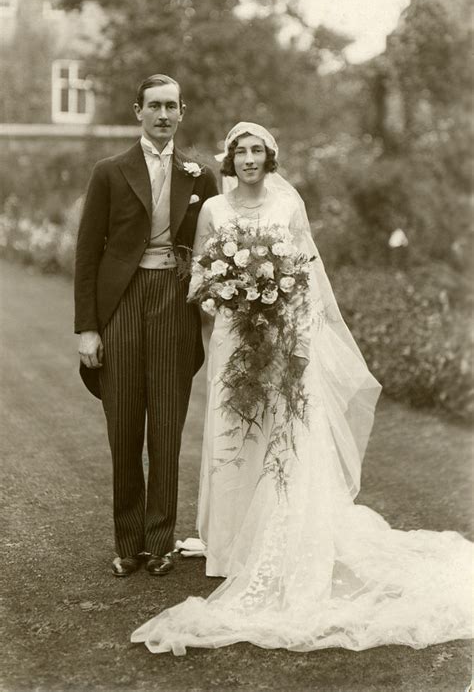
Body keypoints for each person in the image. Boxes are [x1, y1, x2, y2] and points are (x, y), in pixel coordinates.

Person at [131, 123, 472, 653]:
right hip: (232, 338)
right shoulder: (214, 212)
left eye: (257, 151)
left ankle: (278, 538)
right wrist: (230, 293)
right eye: (240, 151)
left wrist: (295, 339)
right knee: (232, 435)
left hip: (281, 336)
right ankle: (227, 547)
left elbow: (306, 278)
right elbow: (196, 274)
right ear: (230, 159)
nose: (248, 159)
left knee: (278, 435)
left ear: (269, 158)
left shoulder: (288, 206)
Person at [74, 74, 218, 577]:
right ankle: (127, 542)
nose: (162, 115)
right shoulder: (110, 172)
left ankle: (160, 542)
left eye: (171, 106)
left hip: (175, 302)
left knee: (167, 427)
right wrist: (87, 328)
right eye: (153, 106)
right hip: (122, 303)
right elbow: (88, 253)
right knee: (124, 424)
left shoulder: (200, 175)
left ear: (183, 111)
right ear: (138, 111)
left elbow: (216, 248)